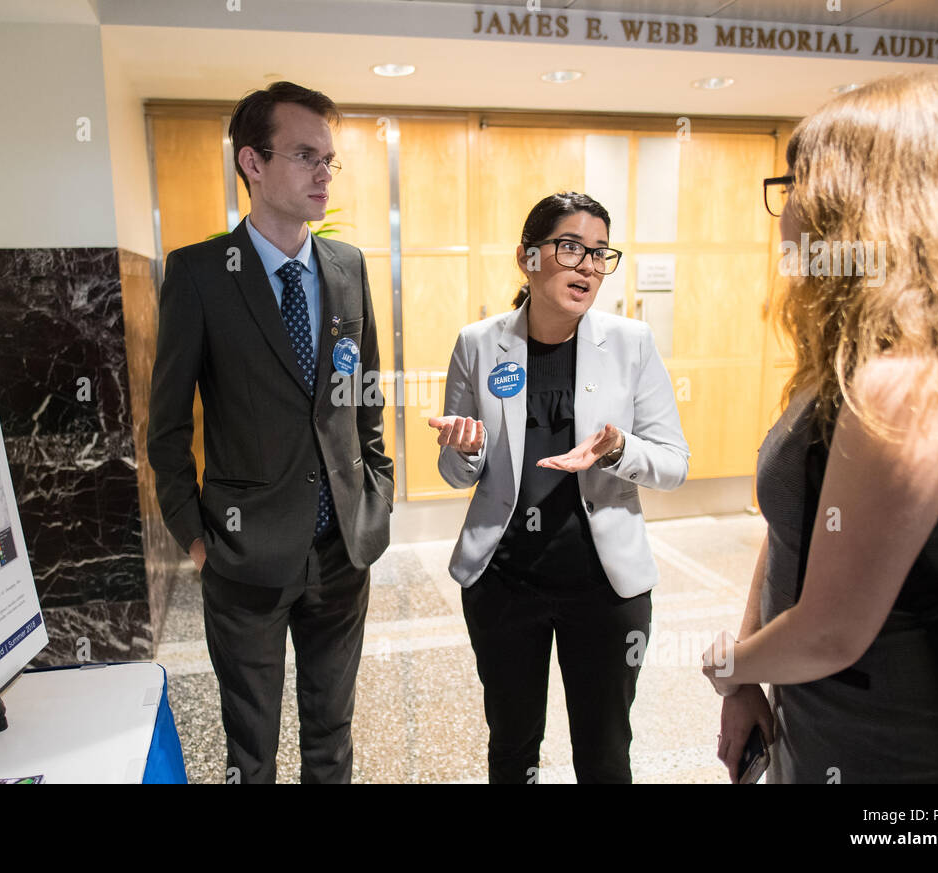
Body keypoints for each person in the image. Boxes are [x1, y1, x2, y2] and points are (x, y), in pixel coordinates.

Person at [704, 72, 938, 783]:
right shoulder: (861, 352)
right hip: (821, 726)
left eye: (793, 185)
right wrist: (750, 666)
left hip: (904, 754)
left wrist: (725, 664)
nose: (785, 210)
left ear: (846, 201)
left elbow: (830, 631)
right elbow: (795, 525)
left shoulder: (908, 380)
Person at [147, 81, 393, 784]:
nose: (323, 173)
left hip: (342, 549)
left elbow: (364, 394)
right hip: (242, 554)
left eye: (329, 159)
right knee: (249, 747)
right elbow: (166, 425)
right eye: (305, 155)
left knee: (332, 734)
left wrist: (376, 491)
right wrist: (195, 537)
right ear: (252, 163)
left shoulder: (346, 268)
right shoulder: (199, 274)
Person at [429, 192, 689, 783]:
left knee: (604, 752)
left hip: (605, 588)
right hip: (504, 581)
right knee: (513, 746)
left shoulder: (631, 343)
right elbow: (456, 473)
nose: (589, 267)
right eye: (570, 247)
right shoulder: (478, 343)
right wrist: (464, 452)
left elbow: (674, 463)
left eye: (600, 253)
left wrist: (618, 449)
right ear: (528, 257)